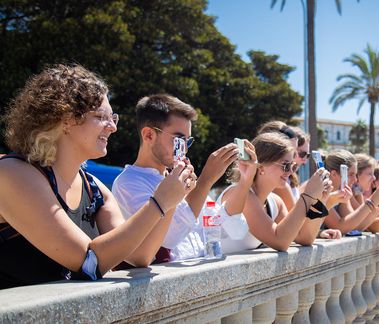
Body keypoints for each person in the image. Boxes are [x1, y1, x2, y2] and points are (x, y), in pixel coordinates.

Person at [0, 65, 195, 289]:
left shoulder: (95, 190)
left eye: (113, 118)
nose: (112, 127)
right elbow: (89, 262)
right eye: (102, 117)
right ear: (65, 119)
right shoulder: (13, 174)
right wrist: (159, 201)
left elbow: (141, 255)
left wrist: (170, 200)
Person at [112, 94, 249, 262]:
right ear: (148, 135)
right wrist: (206, 181)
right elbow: (169, 240)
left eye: (187, 141)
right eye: (178, 140)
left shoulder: (182, 179)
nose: (184, 149)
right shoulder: (128, 182)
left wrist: (246, 179)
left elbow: (230, 230)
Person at [217, 132, 333, 252]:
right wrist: (308, 196)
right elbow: (280, 242)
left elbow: (304, 237)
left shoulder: (275, 202)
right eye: (285, 166)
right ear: (261, 167)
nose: (290, 172)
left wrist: (319, 199)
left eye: (292, 166)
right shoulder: (241, 195)